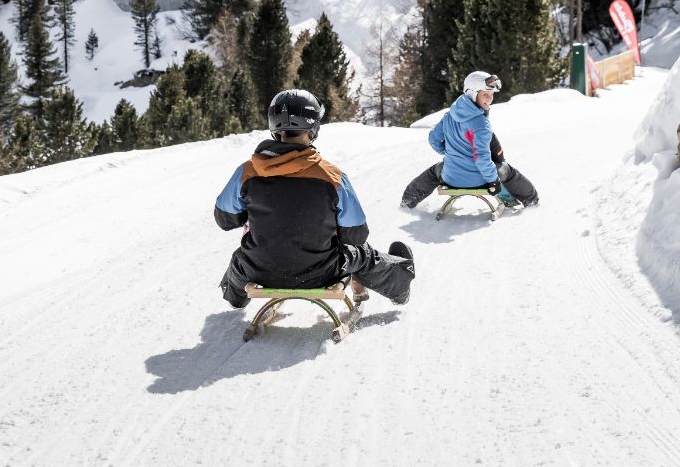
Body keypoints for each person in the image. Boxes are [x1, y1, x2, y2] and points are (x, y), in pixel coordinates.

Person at [214, 89, 416, 309]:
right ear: (313, 126)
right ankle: (400, 283)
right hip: (321, 273)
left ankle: (235, 297)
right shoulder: (332, 177)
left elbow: (225, 220)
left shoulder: (247, 172)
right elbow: (356, 234)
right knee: (361, 254)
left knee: (242, 256)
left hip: (259, 271)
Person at [400, 70, 539, 209]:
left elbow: (433, 139)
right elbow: (482, 158)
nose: (490, 98)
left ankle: (407, 201)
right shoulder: (481, 123)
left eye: (491, 94)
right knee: (507, 170)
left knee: (434, 171)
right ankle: (532, 201)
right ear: (472, 93)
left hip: (450, 177)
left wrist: (449, 152)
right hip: (479, 179)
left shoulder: (449, 116)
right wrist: (493, 181)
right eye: (485, 94)